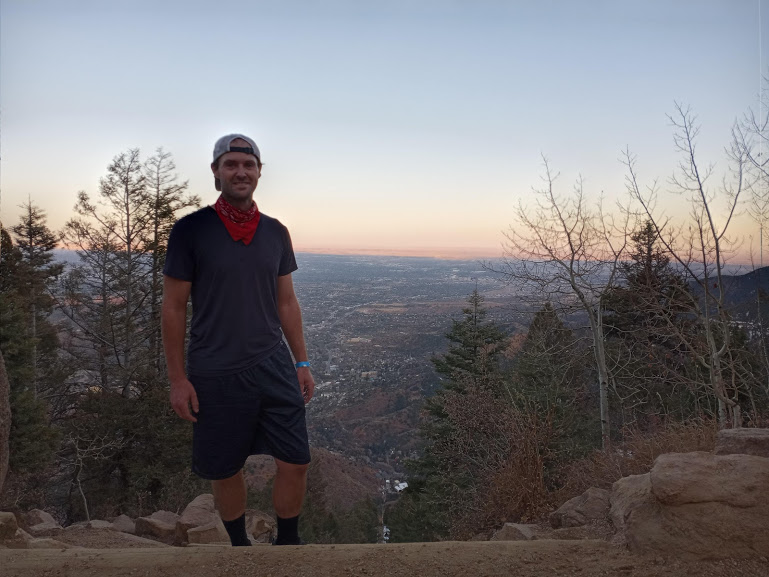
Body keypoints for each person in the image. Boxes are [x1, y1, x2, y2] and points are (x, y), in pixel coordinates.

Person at [161, 133, 314, 547]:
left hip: (272, 362)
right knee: (226, 468)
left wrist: (301, 362)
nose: (240, 172)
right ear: (216, 172)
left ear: (259, 172)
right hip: (215, 370)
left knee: (296, 461)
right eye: (231, 164)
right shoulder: (191, 230)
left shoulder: (276, 232)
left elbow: (286, 302)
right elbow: (173, 307)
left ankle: (288, 545)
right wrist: (177, 379)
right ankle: (240, 549)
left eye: (248, 165)